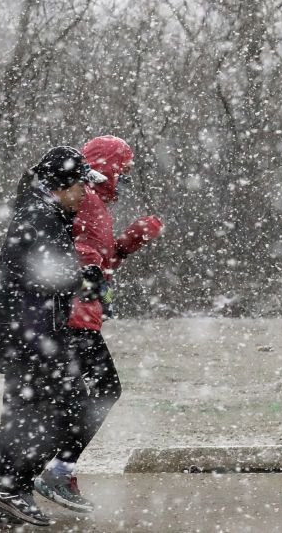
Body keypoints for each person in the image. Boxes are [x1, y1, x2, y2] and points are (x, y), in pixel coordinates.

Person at [0, 147, 108, 528]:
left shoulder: (44, 213)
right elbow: (36, 272)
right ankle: (12, 488)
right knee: (62, 410)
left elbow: (43, 271)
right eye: (82, 186)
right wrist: (81, 280)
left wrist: (81, 279)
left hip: (28, 334)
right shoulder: (40, 216)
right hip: (31, 336)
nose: (85, 194)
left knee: (22, 419)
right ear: (64, 185)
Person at [33, 136, 163, 513]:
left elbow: (100, 262)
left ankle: (35, 474)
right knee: (102, 392)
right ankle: (54, 471)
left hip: (80, 316)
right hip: (73, 318)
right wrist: (90, 273)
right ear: (108, 167)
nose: (126, 179)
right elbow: (76, 254)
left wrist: (129, 243)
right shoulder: (86, 200)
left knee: (78, 397)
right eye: (124, 170)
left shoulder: (95, 204)